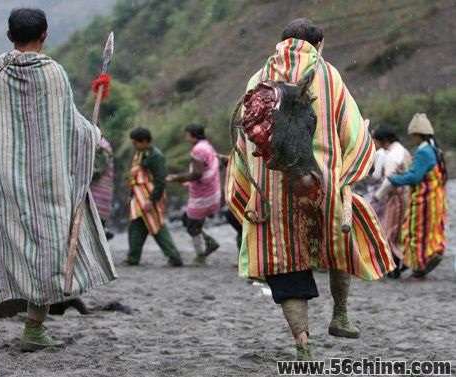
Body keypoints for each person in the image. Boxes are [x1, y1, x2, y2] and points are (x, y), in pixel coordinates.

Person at [226, 18, 394, 360]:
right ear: (319, 45)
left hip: (272, 191)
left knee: (284, 263)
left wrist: (252, 186)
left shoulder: (258, 79)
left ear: (282, 42)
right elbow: (354, 132)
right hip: (322, 182)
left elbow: (243, 144)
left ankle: (303, 345)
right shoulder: (329, 76)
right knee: (339, 242)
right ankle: (341, 314)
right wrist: (349, 170)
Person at [0, 8, 116, 351]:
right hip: (48, 186)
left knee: (10, 243)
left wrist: (4, 161)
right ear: (45, 35)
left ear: (9, 37)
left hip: (6, 186)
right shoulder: (54, 74)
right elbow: (69, 126)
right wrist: (91, 135)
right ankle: (34, 326)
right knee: (49, 252)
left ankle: (28, 323)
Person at [388, 113, 447, 278]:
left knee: (416, 230)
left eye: (413, 136)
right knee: (432, 229)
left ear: (416, 135)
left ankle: (420, 264)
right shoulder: (436, 149)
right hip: (437, 198)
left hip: (424, 199)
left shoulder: (423, 152)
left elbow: (414, 177)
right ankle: (432, 254)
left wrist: (394, 179)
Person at [126, 127, 183, 267]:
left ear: (144, 141)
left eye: (135, 143)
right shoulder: (141, 153)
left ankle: (174, 257)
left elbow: (160, 180)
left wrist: (151, 200)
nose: (134, 146)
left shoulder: (155, 156)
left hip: (149, 196)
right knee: (136, 225)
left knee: (156, 226)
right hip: (139, 197)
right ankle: (133, 258)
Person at [166, 124, 221, 266]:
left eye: (187, 134)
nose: (186, 137)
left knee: (192, 225)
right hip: (211, 192)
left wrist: (177, 178)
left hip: (203, 196)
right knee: (189, 221)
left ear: (192, 135)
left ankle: (201, 255)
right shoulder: (207, 146)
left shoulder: (198, 150)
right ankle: (209, 242)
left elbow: (197, 173)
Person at [371, 124, 411, 278]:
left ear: (384, 140)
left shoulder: (392, 156)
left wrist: (377, 196)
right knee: (397, 232)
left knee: (389, 232)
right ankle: (397, 266)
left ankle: (394, 268)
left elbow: (389, 180)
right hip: (404, 196)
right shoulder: (402, 150)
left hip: (395, 198)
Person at [91, 136, 115, 240]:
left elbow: (97, 172)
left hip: (97, 197)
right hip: (99, 197)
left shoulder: (101, 146)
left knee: (95, 232)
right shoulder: (101, 144)